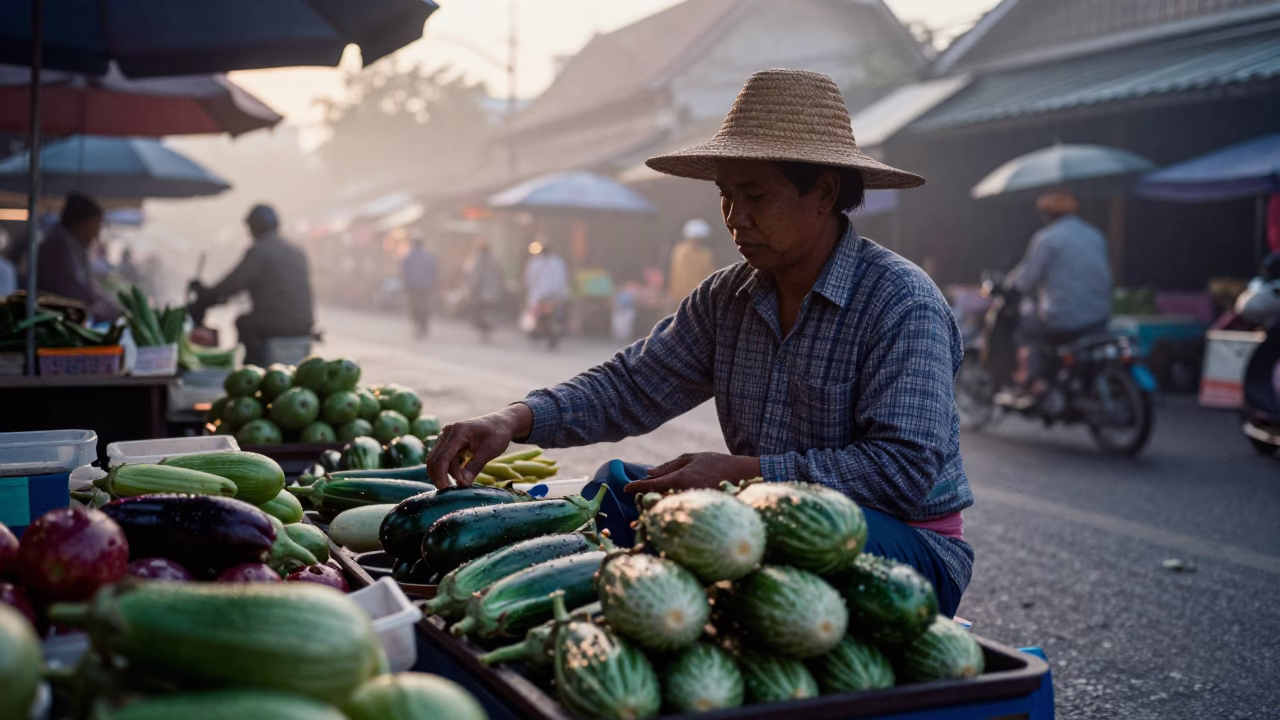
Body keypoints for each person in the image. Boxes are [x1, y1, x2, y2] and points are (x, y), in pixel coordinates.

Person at [427, 70, 974, 616]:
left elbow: (900, 472)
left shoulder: (901, 303)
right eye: (726, 196)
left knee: (743, 548)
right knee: (615, 491)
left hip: (906, 546)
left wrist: (743, 473)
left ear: (825, 192)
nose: (736, 218)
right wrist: (513, 420)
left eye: (756, 196)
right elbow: (632, 385)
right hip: (763, 515)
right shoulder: (728, 297)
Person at [1005, 191, 1113, 403]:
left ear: (1047, 215)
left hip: (1063, 317)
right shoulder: (1095, 235)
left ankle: (1033, 381)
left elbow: (1027, 279)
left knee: (1026, 330)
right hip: (1101, 314)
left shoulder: (1046, 239)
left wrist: (1009, 284)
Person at [190, 204, 314, 367]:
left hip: (278, 324)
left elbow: (233, 283)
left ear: (256, 226)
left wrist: (206, 294)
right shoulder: (296, 250)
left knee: (244, 323)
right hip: (305, 324)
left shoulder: (261, 250)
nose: (248, 232)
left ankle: (254, 373)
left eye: (249, 227)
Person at [36, 192, 118, 319]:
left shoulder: (73, 247)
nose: (96, 235)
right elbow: (70, 290)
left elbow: (85, 286)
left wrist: (110, 306)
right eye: (94, 226)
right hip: (56, 320)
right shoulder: (56, 249)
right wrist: (105, 307)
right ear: (79, 224)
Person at [521, 238, 571, 348]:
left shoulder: (535, 263)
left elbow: (529, 279)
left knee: (540, 316)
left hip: (540, 296)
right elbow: (563, 279)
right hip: (555, 295)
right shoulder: (558, 262)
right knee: (552, 317)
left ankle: (543, 333)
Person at [668, 218, 717, 304]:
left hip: (696, 293)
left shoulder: (705, 254)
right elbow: (676, 272)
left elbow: (709, 274)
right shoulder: (681, 250)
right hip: (682, 293)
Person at [465, 240, 505, 342]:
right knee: (489, 311)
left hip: (482, 293)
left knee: (481, 311)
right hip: (493, 293)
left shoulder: (479, 260)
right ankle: (487, 329)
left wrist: (472, 288)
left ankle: (485, 330)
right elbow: (500, 275)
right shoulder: (495, 260)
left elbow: (476, 277)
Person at [402, 236, 439, 338]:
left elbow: (404, 272)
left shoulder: (409, 256)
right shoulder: (429, 256)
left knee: (415, 307)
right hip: (427, 287)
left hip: (413, 287)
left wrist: (405, 285)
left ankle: (418, 326)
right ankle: (424, 326)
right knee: (425, 306)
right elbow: (434, 272)